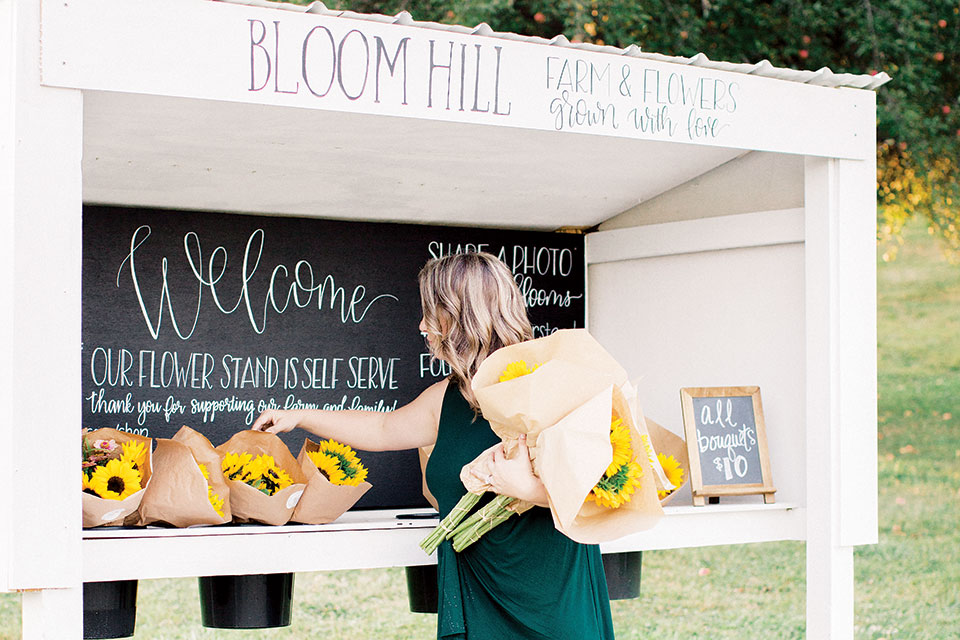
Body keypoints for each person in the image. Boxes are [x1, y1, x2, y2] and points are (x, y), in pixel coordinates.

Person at [251, 252, 615, 640]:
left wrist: (527, 488)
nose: (422, 325)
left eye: (432, 312)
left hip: (549, 605)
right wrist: (300, 416)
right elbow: (383, 428)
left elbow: (599, 488)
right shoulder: (448, 397)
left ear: (464, 317)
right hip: (480, 596)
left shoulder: (553, 384)